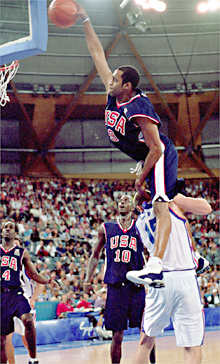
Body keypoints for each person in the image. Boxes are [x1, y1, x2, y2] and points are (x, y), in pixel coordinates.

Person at [76, 2, 179, 287]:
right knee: (158, 207)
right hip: (145, 157)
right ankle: (192, 259)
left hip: (159, 155)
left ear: (128, 86)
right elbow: (97, 53)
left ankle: (155, 265)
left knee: (160, 203)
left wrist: (140, 177)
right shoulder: (114, 96)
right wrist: (84, 19)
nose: (111, 80)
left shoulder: (138, 105)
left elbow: (157, 148)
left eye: (116, 79)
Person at [126, 190, 212, 364]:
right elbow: (206, 208)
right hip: (184, 275)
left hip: (159, 279)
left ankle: (196, 257)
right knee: (192, 345)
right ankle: (196, 257)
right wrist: (178, 196)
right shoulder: (172, 204)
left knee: (146, 341)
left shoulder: (139, 223)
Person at [83, 194, 156, 364]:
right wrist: (87, 279)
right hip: (116, 287)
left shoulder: (140, 227)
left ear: (133, 206)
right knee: (117, 335)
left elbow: (152, 252)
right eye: (120, 200)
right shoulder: (106, 228)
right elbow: (95, 255)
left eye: (126, 200)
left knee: (147, 330)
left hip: (137, 287)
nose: (122, 202)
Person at [0, 220, 55, 364]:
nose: (7, 229)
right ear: (1, 231)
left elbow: (34, 275)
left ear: (15, 233)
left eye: (11, 227)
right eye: (5, 227)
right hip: (1, 296)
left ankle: (33, 358)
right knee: (3, 340)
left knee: (28, 320)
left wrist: (47, 281)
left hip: (16, 293)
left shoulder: (21, 253)